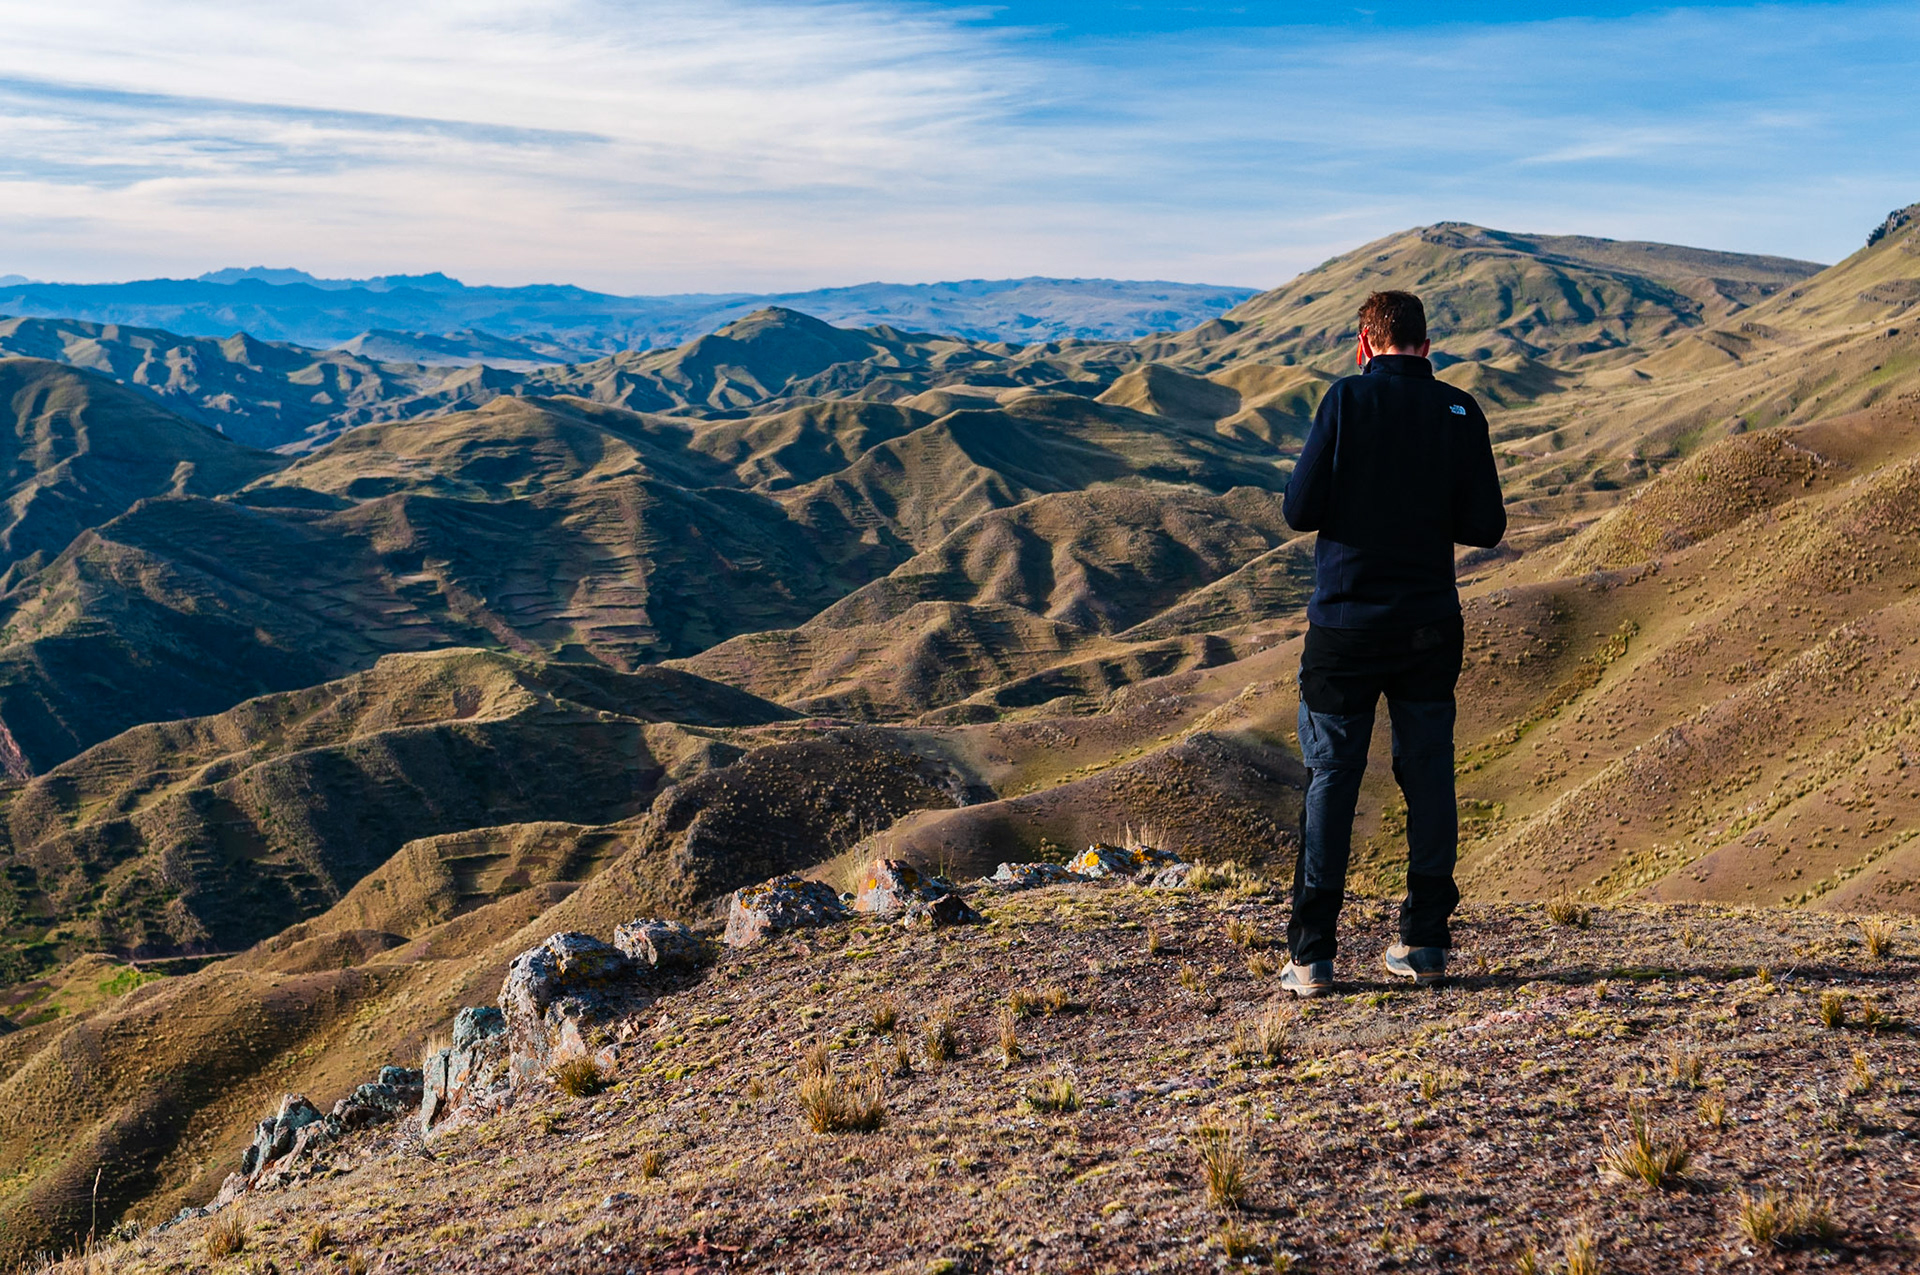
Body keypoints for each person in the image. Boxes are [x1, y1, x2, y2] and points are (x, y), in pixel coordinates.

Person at [1277, 290, 1505, 997]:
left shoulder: (1345, 401)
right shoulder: (1460, 410)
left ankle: (1313, 954)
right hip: (1431, 624)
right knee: (1429, 773)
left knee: (1332, 778)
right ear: (1427, 348)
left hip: (1345, 626)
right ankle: (1427, 942)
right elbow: (1486, 526)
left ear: (1364, 344)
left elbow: (1298, 510)